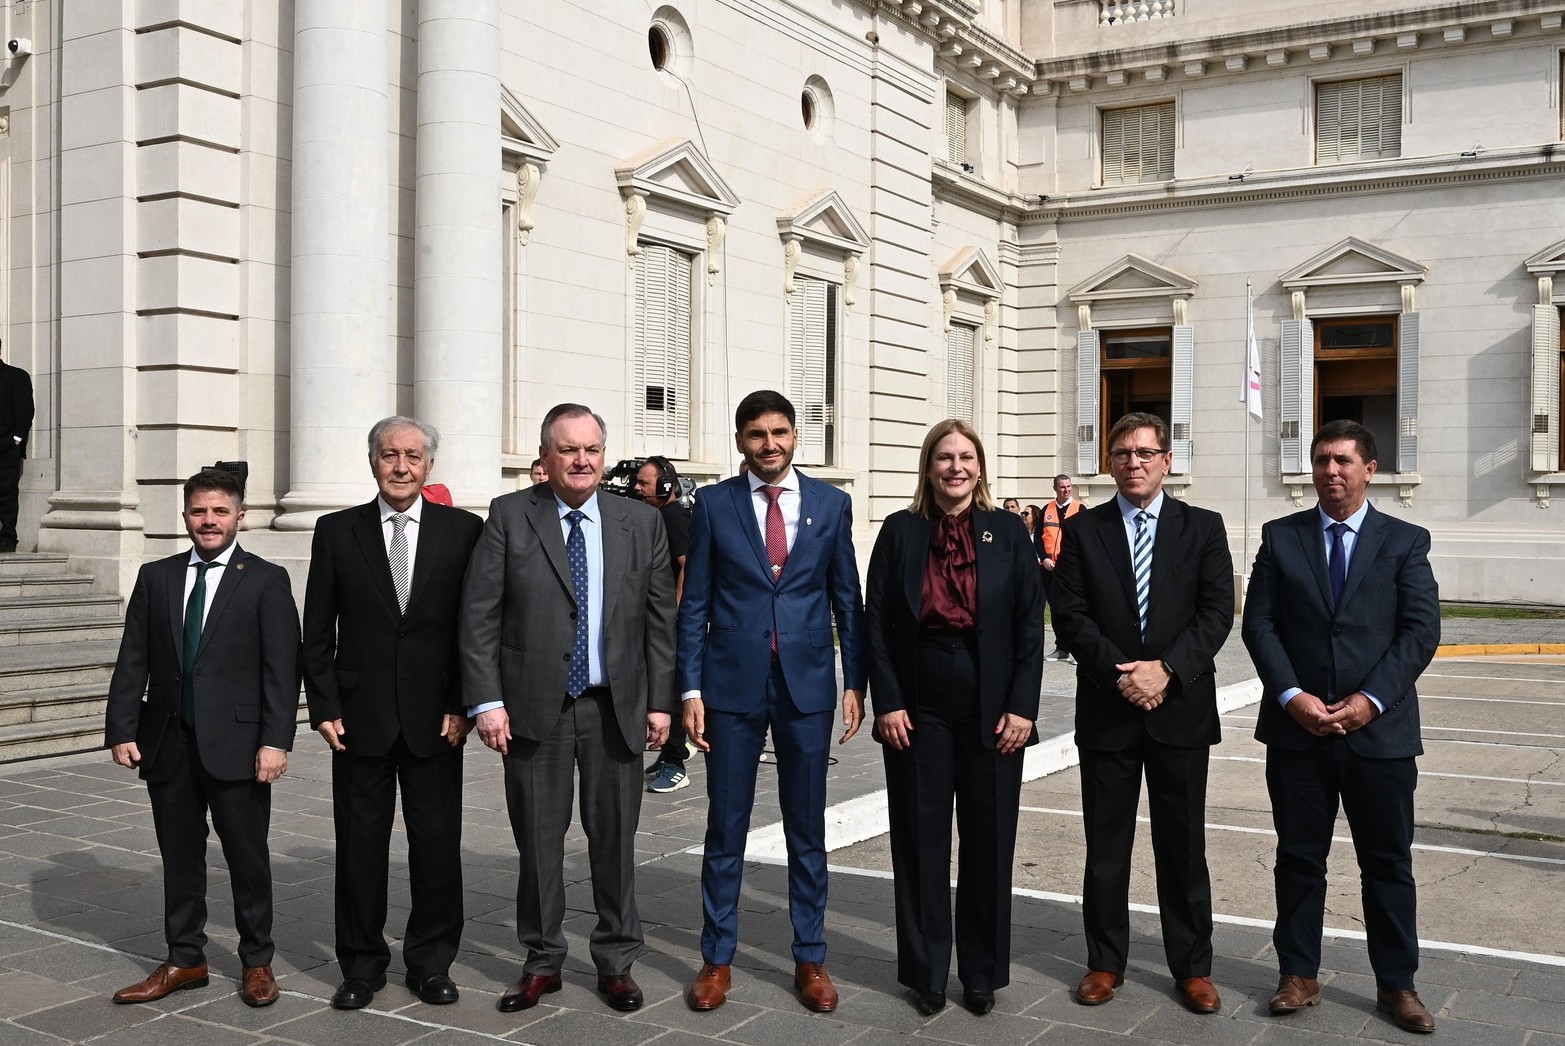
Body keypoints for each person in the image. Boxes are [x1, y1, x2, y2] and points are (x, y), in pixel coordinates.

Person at [461, 403, 676, 1014]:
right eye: (568, 449)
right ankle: (542, 960)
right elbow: (479, 616)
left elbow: (662, 621)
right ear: (545, 457)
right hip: (535, 709)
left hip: (616, 708)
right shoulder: (508, 516)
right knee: (538, 841)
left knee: (615, 840)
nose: (581, 460)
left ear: (603, 456)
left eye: (591, 449)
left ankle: (615, 961)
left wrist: (661, 701)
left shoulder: (640, 521)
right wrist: (487, 702)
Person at [1241, 420, 1441, 1035]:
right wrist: (1292, 695)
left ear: (1369, 469)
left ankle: (1397, 985)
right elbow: (1260, 625)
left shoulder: (1405, 541)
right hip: (1298, 732)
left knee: (1387, 863)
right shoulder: (1281, 538)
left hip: (1378, 736)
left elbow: (1420, 631)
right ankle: (1298, 974)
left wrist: (1372, 700)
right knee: (1299, 858)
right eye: (1322, 460)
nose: (1332, 471)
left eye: (1344, 461)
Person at [679, 390, 866, 1014]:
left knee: (807, 828)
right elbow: (695, 603)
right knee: (724, 828)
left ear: (796, 437)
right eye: (757, 434)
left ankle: (810, 957)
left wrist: (855, 684)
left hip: (808, 686)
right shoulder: (713, 505)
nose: (770, 444)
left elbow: (848, 600)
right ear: (740, 441)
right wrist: (691, 688)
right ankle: (718, 958)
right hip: (731, 686)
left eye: (780, 432)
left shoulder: (831, 505)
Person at [1051, 412, 1234, 1014]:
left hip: (1179, 709)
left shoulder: (1203, 527)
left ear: (1167, 461)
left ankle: (1192, 967)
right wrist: (1121, 675)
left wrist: (1167, 671)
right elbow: (1071, 615)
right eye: (1123, 453)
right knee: (1106, 846)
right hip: (1109, 710)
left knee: (1183, 847)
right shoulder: (1083, 531)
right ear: (1109, 463)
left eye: (1146, 452)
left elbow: (1215, 613)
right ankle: (1104, 961)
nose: (1134, 462)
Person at [865, 419, 1045, 1017]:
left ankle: (981, 973)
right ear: (929, 466)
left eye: (966, 457)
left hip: (992, 700)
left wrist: (1023, 706)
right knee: (920, 838)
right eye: (944, 458)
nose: (956, 468)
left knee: (989, 839)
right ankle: (926, 972)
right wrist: (886, 699)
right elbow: (876, 622)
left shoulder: (1008, 532)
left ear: (980, 467)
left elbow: (1028, 626)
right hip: (917, 700)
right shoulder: (900, 531)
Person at [302, 417, 483, 1010]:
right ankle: (361, 965)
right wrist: (323, 705)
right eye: (389, 455)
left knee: (436, 847)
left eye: (412, 456)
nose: (400, 466)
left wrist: (464, 704)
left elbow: (472, 627)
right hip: (358, 721)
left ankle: (431, 963)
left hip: (437, 721)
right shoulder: (335, 531)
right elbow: (316, 630)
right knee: (359, 848)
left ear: (430, 465)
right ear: (372, 461)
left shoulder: (464, 531)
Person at [104, 468, 300, 1007]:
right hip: (168, 742)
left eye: (219, 511)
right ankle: (185, 958)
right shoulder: (157, 577)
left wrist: (275, 740)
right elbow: (134, 658)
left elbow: (282, 669)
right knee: (179, 856)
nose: (208, 521)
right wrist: (122, 727)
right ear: (184, 516)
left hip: (238, 746)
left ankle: (257, 961)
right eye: (198, 511)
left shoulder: (264, 578)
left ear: (239, 516)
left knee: (247, 857)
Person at [633, 455, 695, 793]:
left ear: (666, 487)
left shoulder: (672, 516)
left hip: (671, 625)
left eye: (644, 483)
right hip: (660, 621)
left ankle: (675, 763)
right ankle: (669, 757)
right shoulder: (658, 516)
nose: (637, 488)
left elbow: (687, 564)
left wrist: (673, 612)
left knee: (669, 693)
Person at [1040, 474, 1083, 662]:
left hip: (1071, 568)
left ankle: (1077, 648)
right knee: (1056, 608)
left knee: (1073, 607)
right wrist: (1044, 558)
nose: (1066, 490)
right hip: (1049, 568)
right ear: (1055, 488)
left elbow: (1084, 539)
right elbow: (1038, 538)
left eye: (1068, 486)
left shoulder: (1080, 508)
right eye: (1062, 487)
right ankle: (1061, 648)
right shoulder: (1047, 509)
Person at [0, 338, 34, 553]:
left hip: (5, 448)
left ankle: (7, 538)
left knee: (6, 494)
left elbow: (24, 414)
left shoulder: (16, 376)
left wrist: (15, 441)